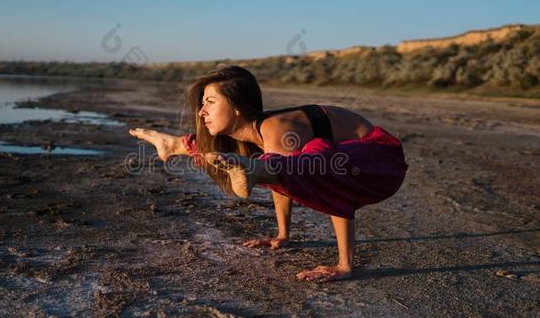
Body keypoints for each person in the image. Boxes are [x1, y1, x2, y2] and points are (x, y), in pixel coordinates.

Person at [129, 66, 408, 282]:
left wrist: (344, 266)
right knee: (273, 166)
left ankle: (249, 168)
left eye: (210, 102)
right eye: (202, 103)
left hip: (379, 161)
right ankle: (175, 145)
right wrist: (282, 235)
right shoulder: (258, 133)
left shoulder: (278, 130)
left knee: (305, 165)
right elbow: (282, 183)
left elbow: (335, 190)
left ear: (237, 107)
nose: (201, 112)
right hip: (328, 162)